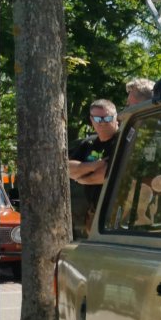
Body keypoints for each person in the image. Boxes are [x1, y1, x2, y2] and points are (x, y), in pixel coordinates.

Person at [67, 99, 119, 237]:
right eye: (97, 118)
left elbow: (106, 175)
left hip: (116, 213)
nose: (101, 122)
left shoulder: (121, 141)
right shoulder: (88, 143)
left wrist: (81, 177)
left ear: (115, 117)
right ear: (91, 119)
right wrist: (93, 165)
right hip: (93, 212)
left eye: (107, 118)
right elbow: (67, 169)